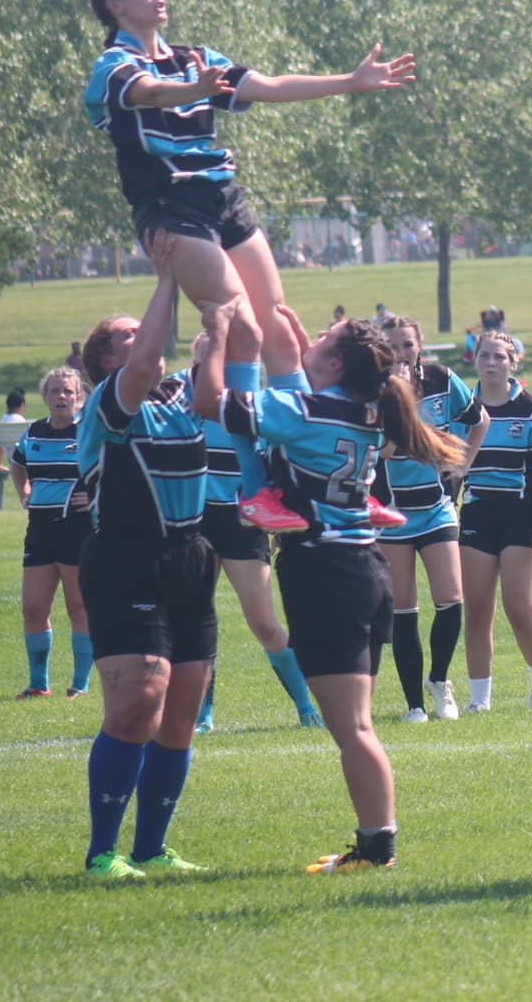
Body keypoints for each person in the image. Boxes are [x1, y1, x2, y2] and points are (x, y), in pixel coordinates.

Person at [84, 0, 415, 536]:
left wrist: (350, 81)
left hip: (224, 197)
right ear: (115, 5)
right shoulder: (114, 65)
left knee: (281, 328)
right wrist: (195, 90)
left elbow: (269, 85)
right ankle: (257, 489)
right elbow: (147, 94)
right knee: (242, 330)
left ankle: (330, 482)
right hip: (170, 205)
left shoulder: (195, 56)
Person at [197, 301, 466, 874]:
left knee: (354, 730)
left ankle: (377, 849)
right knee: (357, 726)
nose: (312, 339)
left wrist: (215, 337)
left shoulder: (310, 410)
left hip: (327, 574)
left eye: (324, 338)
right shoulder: (361, 407)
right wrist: (289, 339)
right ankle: (373, 843)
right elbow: (296, 371)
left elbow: (208, 403)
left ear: (338, 364)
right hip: (362, 568)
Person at [71, 254, 214, 881]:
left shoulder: (181, 395)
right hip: (125, 558)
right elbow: (146, 363)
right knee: (137, 706)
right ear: (106, 361)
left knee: (180, 716)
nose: (143, 338)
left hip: (190, 557)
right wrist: (169, 276)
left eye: (142, 329)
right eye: (126, 335)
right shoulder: (111, 399)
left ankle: (153, 848)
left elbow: (223, 360)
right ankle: (103, 853)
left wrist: (222, 312)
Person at [182, 330, 324, 734]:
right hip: (192, 521)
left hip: (242, 521)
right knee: (196, 619)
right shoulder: (180, 398)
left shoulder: (252, 403)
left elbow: (281, 457)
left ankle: (307, 707)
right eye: (210, 352)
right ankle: (203, 715)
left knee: (263, 622)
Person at [377, 318, 485, 724]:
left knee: (451, 598)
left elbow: (480, 420)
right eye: (392, 346)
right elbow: (386, 450)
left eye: (407, 344)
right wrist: (399, 396)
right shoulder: (375, 390)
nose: (401, 353)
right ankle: (414, 705)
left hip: (437, 507)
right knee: (404, 607)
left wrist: (463, 467)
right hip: (393, 513)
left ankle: (439, 680)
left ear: (419, 344)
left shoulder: (442, 380)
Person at [453, 332, 532, 713]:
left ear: (513, 362)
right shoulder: (464, 408)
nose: (491, 363)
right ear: (475, 360)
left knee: (518, 607)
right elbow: (454, 464)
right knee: (477, 610)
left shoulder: (531, 407)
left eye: (500, 356)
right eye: (485, 355)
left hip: (521, 515)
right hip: (478, 514)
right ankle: (479, 699)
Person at [9, 366, 94, 699]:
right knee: (33, 608)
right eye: (55, 391)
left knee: (78, 607)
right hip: (40, 529)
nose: (62, 397)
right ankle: (39, 684)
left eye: (68, 391)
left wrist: (97, 495)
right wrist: (24, 490)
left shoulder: (89, 431)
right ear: (45, 396)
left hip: (77, 528)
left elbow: (116, 466)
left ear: (79, 397)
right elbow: (17, 463)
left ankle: (80, 684)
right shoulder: (34, 432)